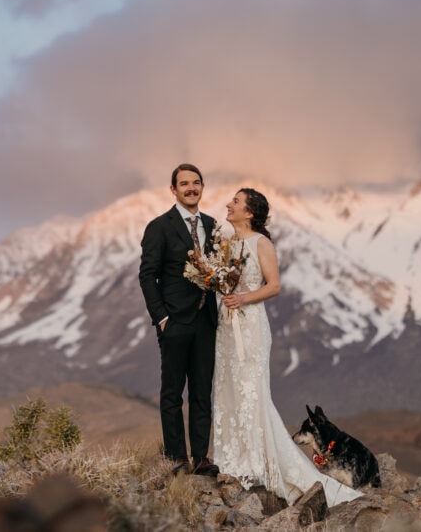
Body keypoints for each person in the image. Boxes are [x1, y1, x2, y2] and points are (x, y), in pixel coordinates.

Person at [212, 188, 362, 506]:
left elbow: (274, 285)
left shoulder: (261, 243)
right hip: (226, 328)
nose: (229, 204)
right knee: (227, 390)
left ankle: (256, 465)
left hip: (250, 327)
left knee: (252, 393)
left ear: (249, 212)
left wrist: (241, 298)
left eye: (236, 202)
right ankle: (230, 462)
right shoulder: (225, 244)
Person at [139, 163, 221, 476]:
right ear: (173, 189)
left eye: (196, 183)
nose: (191, 188)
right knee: (172, 393)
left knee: (202, 392)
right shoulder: (159, 226)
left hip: (206, 322)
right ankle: (176, 458)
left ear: (202, 187)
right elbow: (147, 275)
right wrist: (161, 318)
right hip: (173, 322)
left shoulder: (213, 226)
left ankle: (200, 457)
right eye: (184, 183)